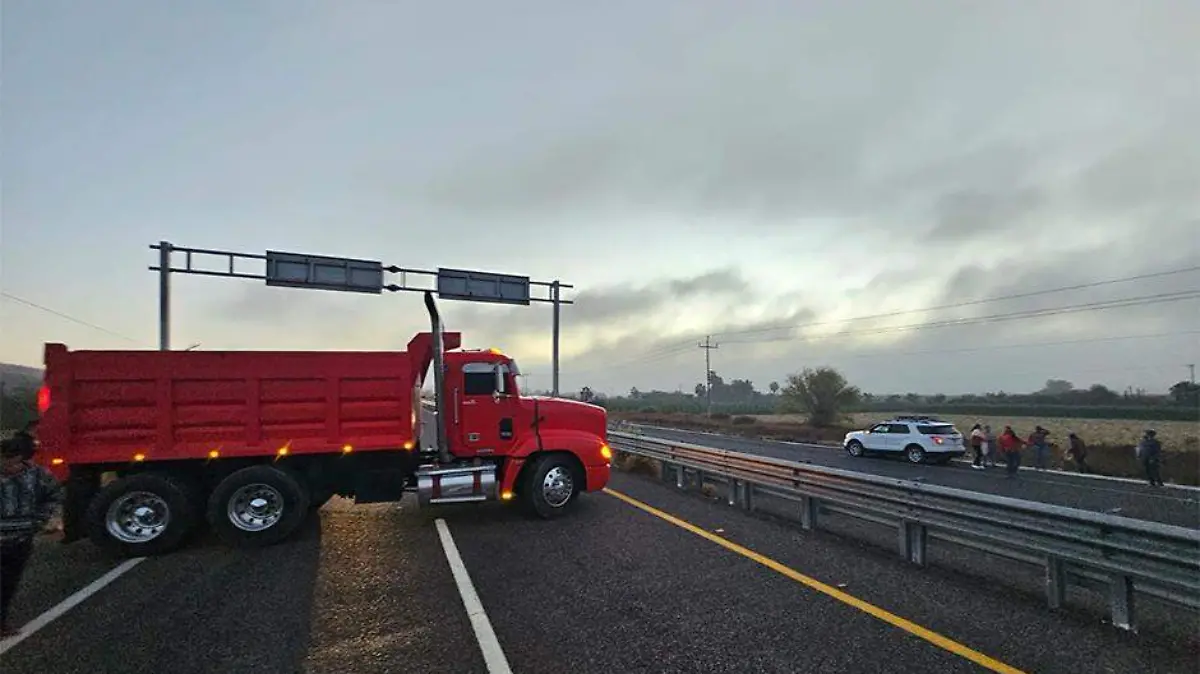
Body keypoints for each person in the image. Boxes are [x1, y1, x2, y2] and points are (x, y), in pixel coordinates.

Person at [1, 436, 64, 638]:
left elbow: (54, 495)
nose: (12, 467)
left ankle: (1, 622)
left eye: (16, 461)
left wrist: (39, 520)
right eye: (7, 461)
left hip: (21, 539)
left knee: (8, 584)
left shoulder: (37, 475)